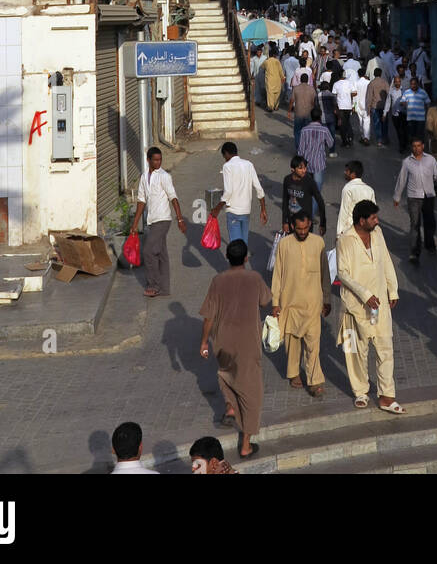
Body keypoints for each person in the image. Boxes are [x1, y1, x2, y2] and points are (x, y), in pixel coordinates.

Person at [199, 239, 272, 461]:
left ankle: (230, 406)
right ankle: (246, 445)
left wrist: (204, 342)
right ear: (246, 259)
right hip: (248, 342)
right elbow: (265, 301)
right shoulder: (254, 278)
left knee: (225, 375)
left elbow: (209, 316)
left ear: (228, 258)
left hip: (223, 341)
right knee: (252, 393)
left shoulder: (217, 280)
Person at [335, 200, 402, 412]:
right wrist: (365, 295)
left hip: (380, 303)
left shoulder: (378, 233)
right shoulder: (344, 240)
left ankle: (386, 395)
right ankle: (360, 392)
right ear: (361, 220)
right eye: (373, 218)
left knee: (385, 348)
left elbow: (386, 261)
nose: (377, 221)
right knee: (356, 352)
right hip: (354, 306)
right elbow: (342, 273)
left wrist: (393, 289)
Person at [271, 213, 332, 398]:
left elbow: (325, 274)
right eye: (299, 229)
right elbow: (278, 274)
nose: (303, 232)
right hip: (290, 302)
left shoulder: (318, 243)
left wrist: (327, 299)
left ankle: (315, 381)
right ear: (292, 227)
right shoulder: (284, 244)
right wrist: (275, 303)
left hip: (313, 304)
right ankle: (294, 373)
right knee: (293, 341)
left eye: (306, 228)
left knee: (314, 344)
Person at [129, 146, 188, 299]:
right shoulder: (143, 177)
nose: (158, 162)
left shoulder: (164, 176)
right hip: (152, 220)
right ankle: (165, 288)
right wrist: (135, 224)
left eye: (160, 159)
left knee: (148, 251)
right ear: (148, 160)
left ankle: (153, 285)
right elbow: (141, 201)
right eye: (155, 160)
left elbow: (173, 198)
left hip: (163, 219)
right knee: (161, 253)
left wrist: (180, 219)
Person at [392, 137, 437, 263]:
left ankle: (430, 245)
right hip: (413, 197)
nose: (416, 148)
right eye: (414, 146)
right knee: (415, 224)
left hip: (429, 196)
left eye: (419, 145)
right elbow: (401, 180)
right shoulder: (407, 162)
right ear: (411, 147)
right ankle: (414, 252)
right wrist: (397, 196)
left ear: (423, 146)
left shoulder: (430, 160)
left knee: (430, 222)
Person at [210, 142, 268, 246]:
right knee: (243, 243)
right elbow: (259, 189)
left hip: (233, 211)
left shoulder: (227, 166)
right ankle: (243, 260)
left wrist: (217, 208)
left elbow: (228, 191)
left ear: (226, 154)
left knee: (236, 246)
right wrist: (263, 209)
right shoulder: (249, 164)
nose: (224, 159)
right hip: (246, 211)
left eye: (224, 156)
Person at [281, 155, 326, 236]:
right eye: (300, 168)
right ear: (292, 169)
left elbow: (320, 202)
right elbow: (285, 201)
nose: (304, 170)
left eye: (305, 168)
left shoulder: (309, 182)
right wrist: (285, 222)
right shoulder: (287, 180)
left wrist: (323, 223)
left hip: (305, 223)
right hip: (292, 222)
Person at [337, 159, 376, 239]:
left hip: (351, 230)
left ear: (353, 174)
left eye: (347, 171)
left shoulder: (348, 189)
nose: (345, 173)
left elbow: (344, 212)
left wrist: (339, 234)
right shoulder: (370, 190)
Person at [298, 106, 334, 192]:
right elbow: (331, 144)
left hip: (306, 163)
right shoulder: (324, 130)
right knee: (316, 191)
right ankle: (314, 205)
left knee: (307, 189)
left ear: (311, 117)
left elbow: (301, 150)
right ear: (320, 117)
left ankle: (307, 204)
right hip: (319, 163)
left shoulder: (304, 130)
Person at [288, 69, 317, 150]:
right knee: (307, 132)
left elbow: (291, 101)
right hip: (308, 113)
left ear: (300, 79)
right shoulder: (312, 89)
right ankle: (306, 148)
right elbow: (314, 102)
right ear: (308, 80)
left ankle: (299, 149)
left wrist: (289, 111)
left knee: (297, 132)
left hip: (298, 113)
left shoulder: (296, 89)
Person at [386, 67, 409, 154]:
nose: (397, 83)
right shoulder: (391, 91)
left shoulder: (405, 90)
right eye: (396, 82)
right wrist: (385, 113)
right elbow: (388, 102)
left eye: (399, 82)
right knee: (398, 130)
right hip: (394, 114)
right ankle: (402, 144)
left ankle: (404, 144)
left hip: (404, 113)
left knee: (404, 129)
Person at [402, 73, 430, 143]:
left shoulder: (423, 92)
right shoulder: (406, 92)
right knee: (412, 135)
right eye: (411, 84)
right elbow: (402, 101)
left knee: (420, 135)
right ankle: (414, 150)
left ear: (417, 84)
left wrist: (429, 114)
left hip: (421, 118)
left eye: (414, 84)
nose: (413, 85)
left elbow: (428, 103)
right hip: (411, 118)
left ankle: (421, 149)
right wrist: (404, 104)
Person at [365, 68, 389, 146]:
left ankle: (379, 140)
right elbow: (389, 94)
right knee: (384, 123)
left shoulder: (371, 83)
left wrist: (368, 108)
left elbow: (369, 97)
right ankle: (385, 138)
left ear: (374, 74)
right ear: (381, 74)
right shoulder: (385, 82)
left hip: (374, 106)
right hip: (384, 105)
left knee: (377, 123)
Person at [334, 69, 356, 148]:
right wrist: (348, 96)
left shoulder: (336, 84)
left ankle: (344, 141)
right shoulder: (349, 83)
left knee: (342, 124)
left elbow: (334, 95)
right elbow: (355, 92)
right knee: (347, 122)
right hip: (348, 106)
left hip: (340, 106)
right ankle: (350, 138)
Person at [262, 46, 286, 113]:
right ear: (274, 55)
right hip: (277, 79)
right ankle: (276, 106)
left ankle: (270, 106)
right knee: (277, 93)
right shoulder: (277, 61)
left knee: (270, 94)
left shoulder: (266, 61)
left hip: (269, 79)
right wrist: (283, 77)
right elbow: (281, 71)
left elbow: (262, 67)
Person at [353, 65, 371, 145]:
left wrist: (353, 105)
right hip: (367, 104)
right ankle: (366, 137)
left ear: (358, 74)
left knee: (360, 121)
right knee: (366, 121)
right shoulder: (368, 82)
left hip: (358, 104)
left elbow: (354, 94)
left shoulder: (356, 83)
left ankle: (362, 136)